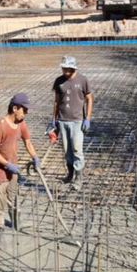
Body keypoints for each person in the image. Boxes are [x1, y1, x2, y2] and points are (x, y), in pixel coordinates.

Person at [0, 93, 40, 249]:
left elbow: (28, 142)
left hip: (14, 168)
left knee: (13, 195)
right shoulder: (0, 125)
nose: (26, 113)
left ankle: (16, 220)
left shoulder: (21, 123)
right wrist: (6, 164)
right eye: (24, 110)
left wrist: (35, 157)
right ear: (15, 108)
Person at [48, 56, 94, 192]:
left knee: (77, 150)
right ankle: (70, 174)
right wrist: (54, 120)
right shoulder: (59, 81)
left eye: (67, 69)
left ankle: (79, 179)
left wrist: (88, 118)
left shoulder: (82, 80)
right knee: (67, 150)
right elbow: (56, 101)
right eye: (63, 68)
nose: (64, 71)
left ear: (73, 68)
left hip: (78, 121)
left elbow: (89, 98)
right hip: (63, 121)